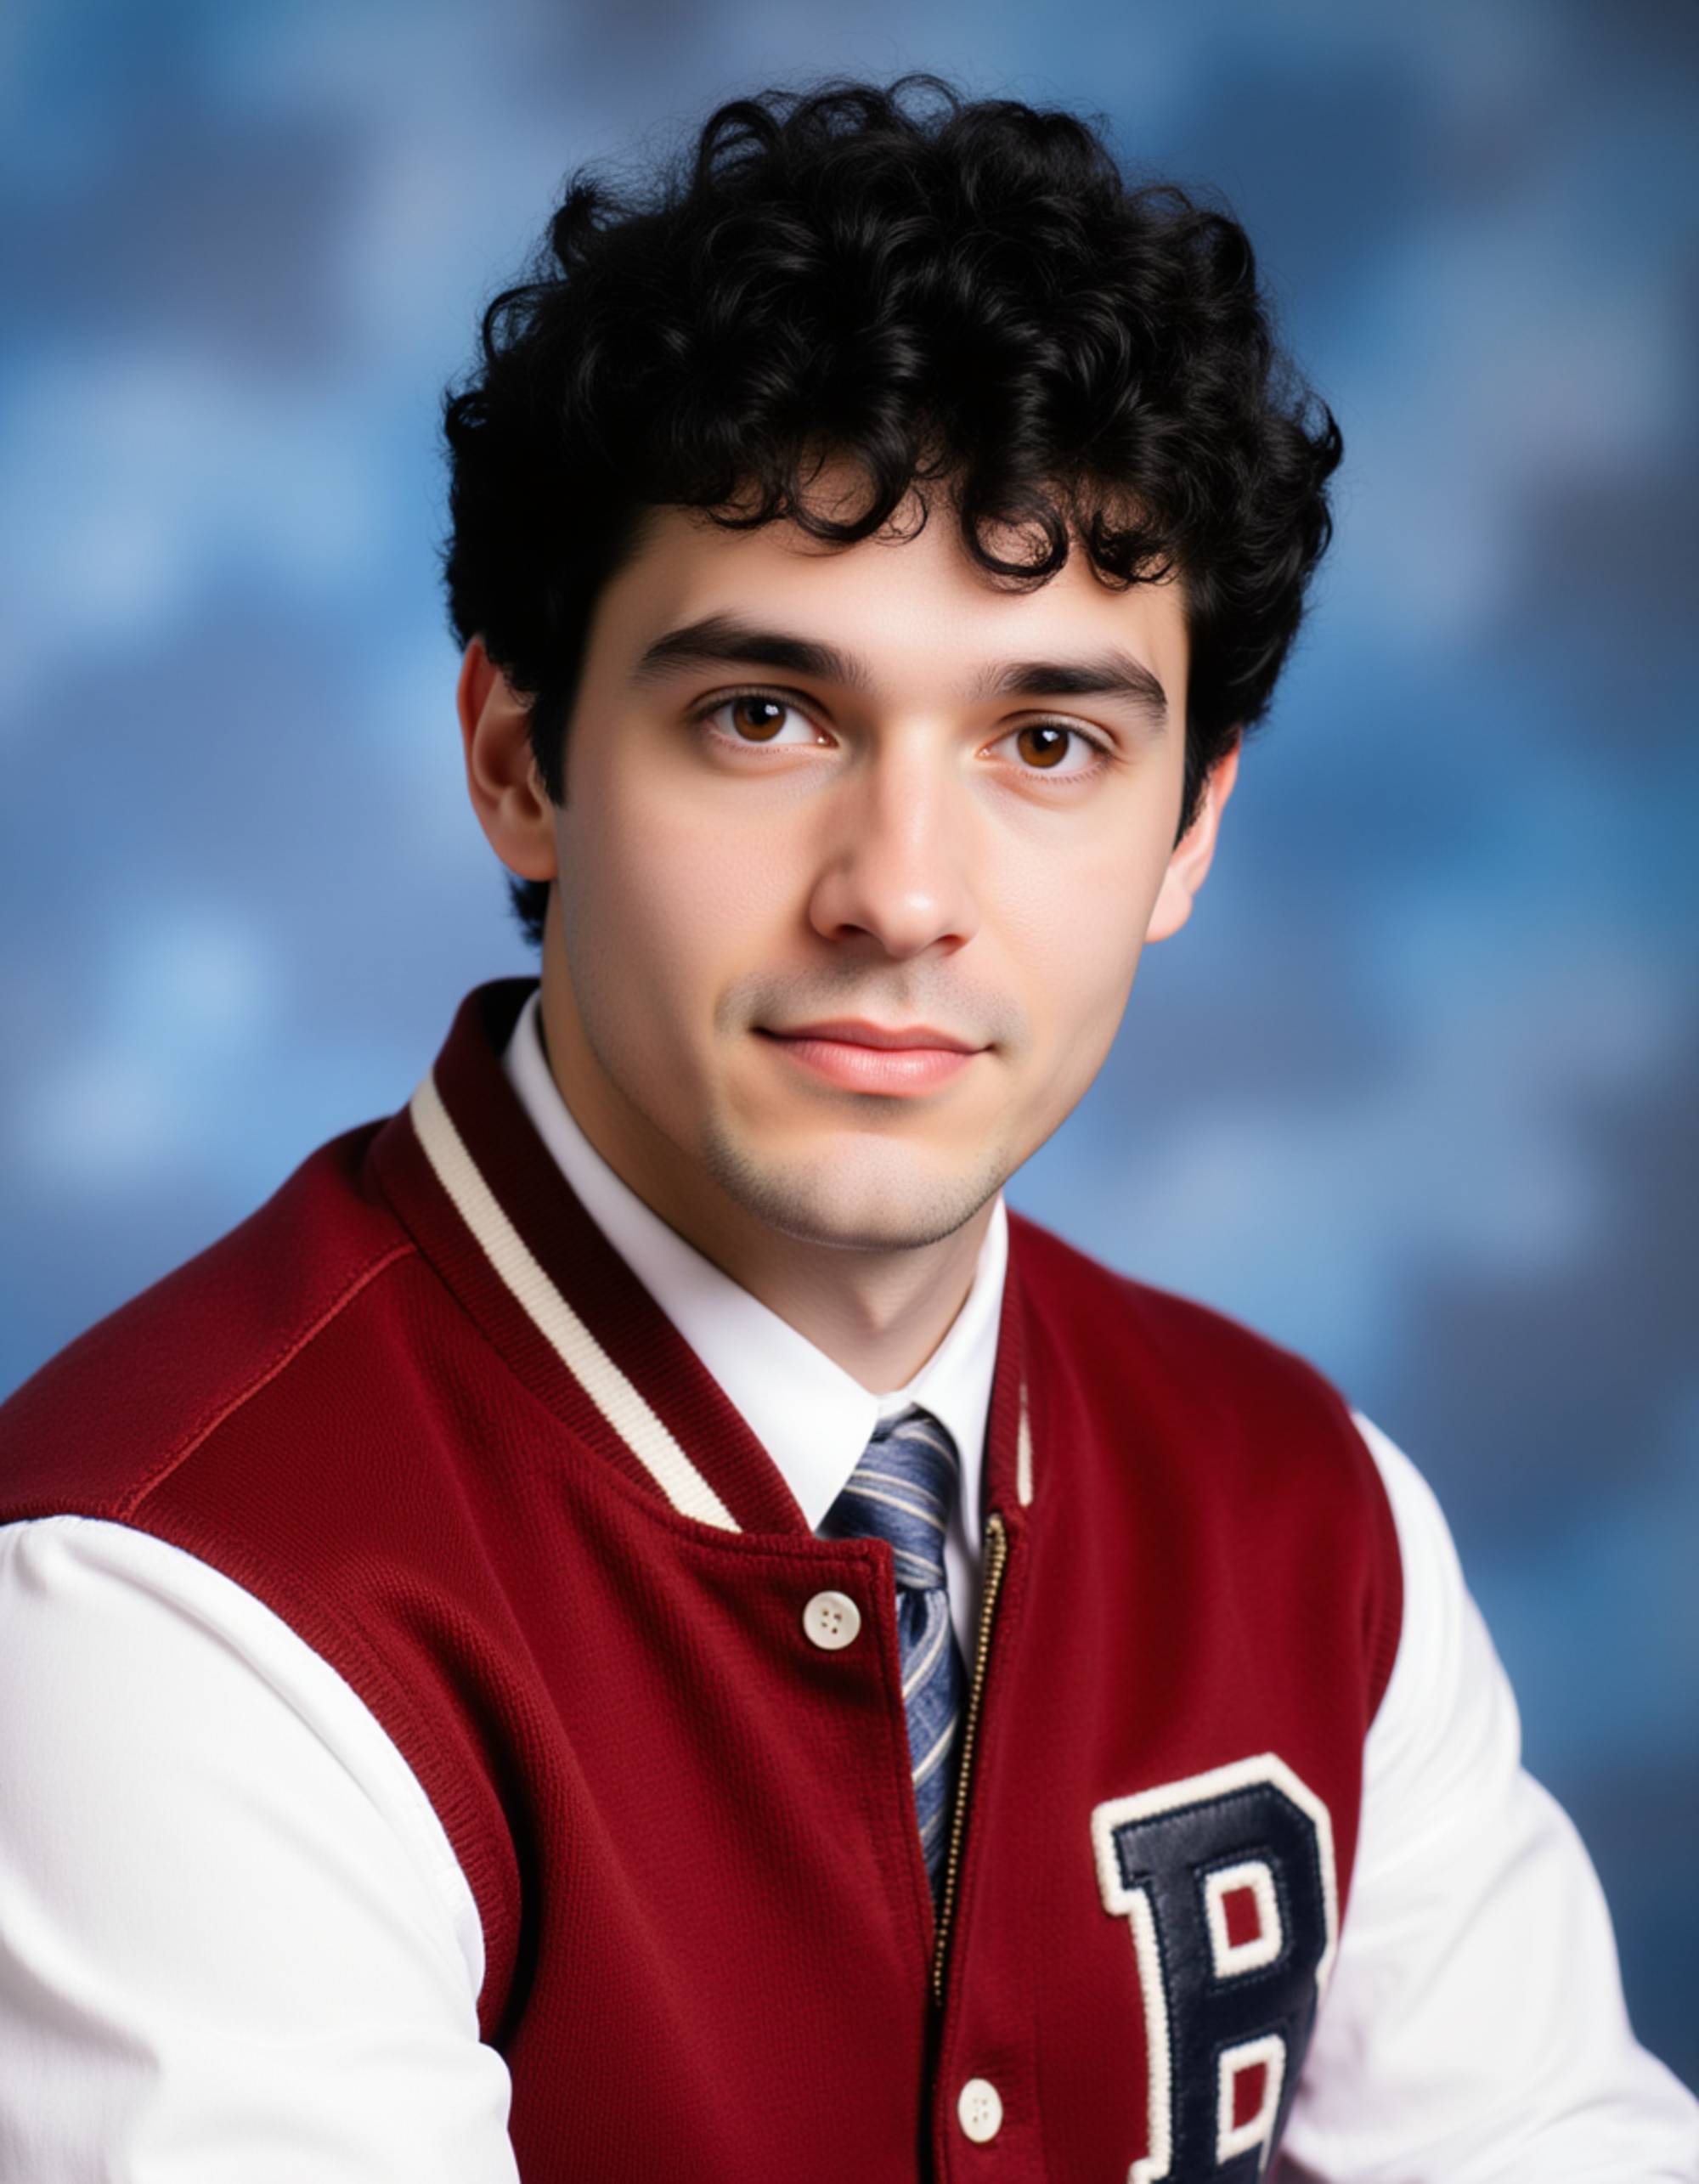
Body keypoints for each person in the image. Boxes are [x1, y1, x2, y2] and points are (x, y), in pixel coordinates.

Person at [0, 72, 1692, 2183]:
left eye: (1047, 739)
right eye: (765, 715)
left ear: (1189, 831)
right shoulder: (161, 1601)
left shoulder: (1306, 1510)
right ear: (520, 760)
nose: (899, 893)